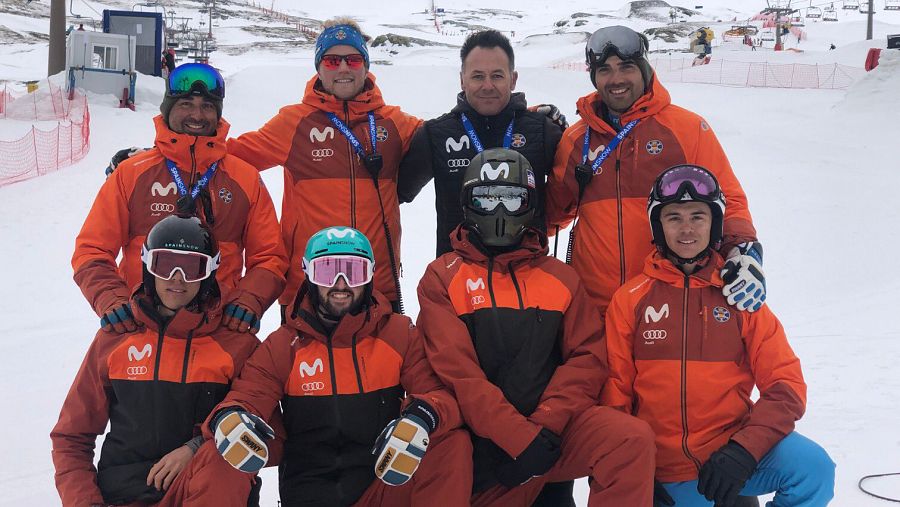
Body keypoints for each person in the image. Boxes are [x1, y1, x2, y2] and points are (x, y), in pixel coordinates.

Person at [417, 148, 656, 506]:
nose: (499, 211)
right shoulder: (443, 276)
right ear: (468, 204)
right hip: (478, 440)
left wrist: (546, 425)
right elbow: (458, 373)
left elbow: (587, 359)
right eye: (487, 198)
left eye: (512, 200)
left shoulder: (560, 278)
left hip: (547, 435)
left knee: (628, 438)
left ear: (529, 205)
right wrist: (518, 438)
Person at [601, 165, 835, 507]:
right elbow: (615, 395)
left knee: (813, 469)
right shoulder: (631, 298)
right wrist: (631, 472)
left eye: (698, 216)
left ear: (715, 224)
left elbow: (786, 384)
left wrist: (744, 449)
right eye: (673, 217)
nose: (686, 229)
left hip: (734, 452)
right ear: (657, 225)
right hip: (668, 469)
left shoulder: (741, 295)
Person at [202, 226, 471, 506]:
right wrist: (229, 418)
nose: (340, 285)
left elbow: (439, 394)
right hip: (310, 494)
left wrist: (421, 417)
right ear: (308, 275)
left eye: (353, 272)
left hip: (383, 488)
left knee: (451, 443)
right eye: (327, 272)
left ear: (370, 276)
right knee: (225, 446)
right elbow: (246, 397)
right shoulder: (284, 346)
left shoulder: (398, 334)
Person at [546, 25, 763, 317]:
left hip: (668, 305)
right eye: (605, 70)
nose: (616, 79)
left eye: (626, 67)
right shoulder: (576, 139)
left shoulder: (687, 130)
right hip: (594, 310)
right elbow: (551, 214)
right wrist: (529, 129)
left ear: (645, 70)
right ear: (594, 76)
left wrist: (742, 251)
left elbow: (729, 200)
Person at [52, 215, 268, 506]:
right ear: (147, 266)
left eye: (192, 267)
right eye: (164, 264)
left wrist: (197, 447)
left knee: (229, 453)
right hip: (124, 494)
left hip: (199, 492)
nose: (177, 277)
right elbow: (71, 437)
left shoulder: (235, 344)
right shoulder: (116, 339)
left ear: (210, 272)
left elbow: (268, 435)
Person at [73, 63, 287, 337]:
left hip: (218, 331)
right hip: (141, 328)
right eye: (186, 104)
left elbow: (270, 257)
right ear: (168, 108)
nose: (197, 115)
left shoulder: (244, 178)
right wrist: (111, 298)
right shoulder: (132, 173)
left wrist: (248, 300)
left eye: (208, 106)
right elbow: (92, 249)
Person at [225, 18, 420, 314]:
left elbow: (445, 140)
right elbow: (230, 157)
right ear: (319, 67)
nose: (343, 68)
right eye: (332, 60)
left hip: (377, 286)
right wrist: (154, 156)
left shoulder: (394, 123)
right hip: (308, 287)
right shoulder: (294, 123)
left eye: (353, 60)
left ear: (366, 66)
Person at [398, 29, 566, 258]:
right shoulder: (436, 134)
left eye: (497, 75)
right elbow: (392, 193)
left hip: (528, 276)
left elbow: (575, 196)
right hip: (459, 278)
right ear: (462, 80)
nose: (487, 86)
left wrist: (568, 134)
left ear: (513, 79)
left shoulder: (542, 130)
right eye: (477, 76)